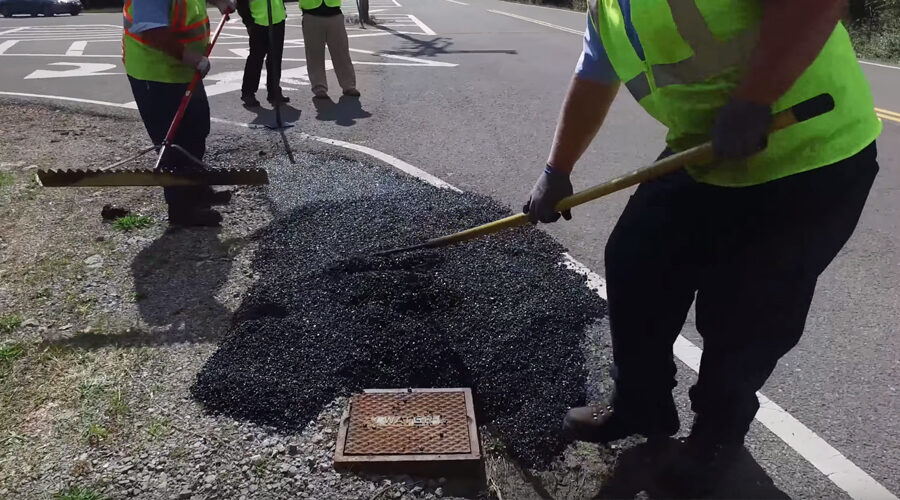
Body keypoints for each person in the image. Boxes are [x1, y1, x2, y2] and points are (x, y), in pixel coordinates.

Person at [523, 0, 881, 490]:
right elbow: (593, 76)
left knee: (745, 310)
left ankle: (716, 436)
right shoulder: (607, 6)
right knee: (636, 261)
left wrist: (755, 98)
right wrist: (556, 171)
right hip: (705, 151)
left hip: (806, 152)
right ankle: (640, 405)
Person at [123, 0, 235, 226]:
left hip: (183, 69)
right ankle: (182, 210)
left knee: (197, 129)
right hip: (155, 73)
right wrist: (192, 58)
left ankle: (197, 188)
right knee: (174, 144)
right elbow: (152, 30)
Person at [299, 0, 360, 99]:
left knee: (342, 53)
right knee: (314, 55)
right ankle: (319, 88)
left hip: (334, 13)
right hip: (311, 14)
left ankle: (349, 86)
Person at [237, 0, 288, 106]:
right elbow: (241, 3)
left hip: (277, 18)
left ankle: (274, 91)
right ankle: (248, 93)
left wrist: (283, 10)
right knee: (256, 59)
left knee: (275, 58)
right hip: (258, 21)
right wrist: (248, 22)